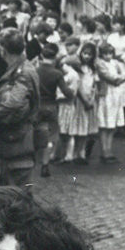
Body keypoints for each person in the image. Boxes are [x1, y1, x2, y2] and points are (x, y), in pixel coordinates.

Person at [0, 28, 40, 187]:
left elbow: (14, 102)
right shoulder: (21, 68)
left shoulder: (22, 72)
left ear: (3, 50)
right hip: (13, 141)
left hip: (18, 140)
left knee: (16, 197)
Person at [34, 43, 74, 177]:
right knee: (51, 136)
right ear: (55, 57)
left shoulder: (35, 71)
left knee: (35, 132)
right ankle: (45, 165)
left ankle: (32, 161)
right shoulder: (57, 73)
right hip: (51, 106)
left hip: (37, 106)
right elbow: (67, 92)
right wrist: (71, 91)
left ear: (41, 56)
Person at [59, 41, 99, 164]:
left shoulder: (92, 69)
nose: (87, 56)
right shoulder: (76, 67)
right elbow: (78, 86)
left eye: (89, 54)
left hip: (88, 99)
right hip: (78, 100)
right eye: (85, 53)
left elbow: (94, 85)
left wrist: (92, 97)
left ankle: (80, 153)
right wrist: (85, 100)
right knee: (73, 127)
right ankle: (69, 154)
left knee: (84, 129)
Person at [94, 42, 125, 163]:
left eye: (110, 53)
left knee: (112, 124)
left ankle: (109, 149)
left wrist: (118, 79)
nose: (108, 56)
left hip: (116, 94)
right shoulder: (100, 63)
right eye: (105, 54)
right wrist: (117, 79)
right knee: (105, 123)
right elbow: (107, 76)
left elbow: (124, 75)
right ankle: (104, 150)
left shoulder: (115, 63)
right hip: (106, 93)